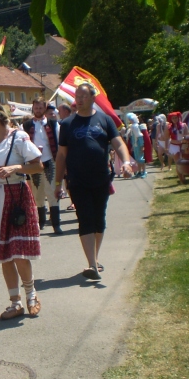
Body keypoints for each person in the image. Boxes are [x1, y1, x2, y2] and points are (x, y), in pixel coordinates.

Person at [0, 101, 44, 319]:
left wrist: (15, 168)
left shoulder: (18, 138)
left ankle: (31, 294)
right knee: (4, 255)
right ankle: (15, 302)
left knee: (19, 252)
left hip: (16, 196)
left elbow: (38, 165)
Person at [54, 84, 133, 281]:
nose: (78, 99)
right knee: (85, 219)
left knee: (99, 220)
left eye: (83, 96)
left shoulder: (104, 120)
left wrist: (126, 162)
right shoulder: (67, 124)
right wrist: (57, 184)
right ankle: (91, 264)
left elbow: (118, 143)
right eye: (76, 96)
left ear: (92, 98)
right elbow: (61, 155)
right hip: (78, 180)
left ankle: (94, 259)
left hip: (101, 178)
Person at [23, 97, 62, 234]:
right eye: (36, 108)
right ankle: (41, 222)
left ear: (45, 108)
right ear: (33, 108)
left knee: (52, 192)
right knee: (37, 193)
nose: (38, 110)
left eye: (40, 108)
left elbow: (59, 141)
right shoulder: (27, 125)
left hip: (50, 160)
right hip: (34, 162)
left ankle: (56, 224)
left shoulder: (52, 123)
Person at [165, 111, 189, 183]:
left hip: (183, 145)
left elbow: (187, 135)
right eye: (173, 118)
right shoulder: (169, 127)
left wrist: (184, 141)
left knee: (184, 162)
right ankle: (181, 179)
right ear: (171, 119)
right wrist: (167, 147)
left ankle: (184, 175)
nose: (175, 119)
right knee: (178, 162)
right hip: (174, 145)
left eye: (176, 118)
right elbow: (167, 137)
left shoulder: (184, 125)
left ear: (179, 118)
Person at [125, 113, 146, 178]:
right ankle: (139, 172)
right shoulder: (133, 126)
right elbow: (133, 137)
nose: (129, 120)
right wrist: (133, 146)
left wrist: (142, 146)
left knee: (141, 159)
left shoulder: (135, 126)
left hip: (138, 144)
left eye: (130, 119)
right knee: (137, 159)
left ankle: (144, 172)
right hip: (135, 145)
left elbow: (140, 136)